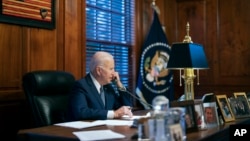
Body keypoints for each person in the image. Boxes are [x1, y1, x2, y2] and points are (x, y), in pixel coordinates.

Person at [67, 51, 133, 121]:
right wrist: (113, 114)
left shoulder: (108, 87)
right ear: (99, 71)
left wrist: (119, 85)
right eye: (111, 69)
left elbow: (125, 107)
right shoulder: (81, 86)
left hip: (105, 128)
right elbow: (81, 112)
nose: (114, 73)